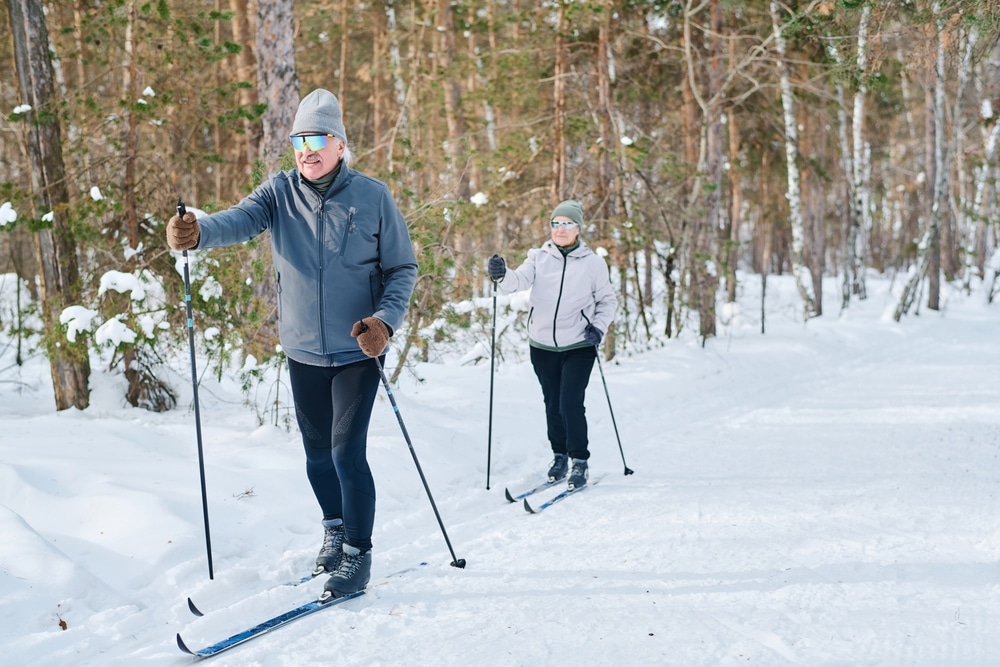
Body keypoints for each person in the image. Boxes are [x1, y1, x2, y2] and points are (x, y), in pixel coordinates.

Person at [166, 88, 417, 599]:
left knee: (348, 456)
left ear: (340, 145)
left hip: (356, 351)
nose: (307, 149)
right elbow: (237, 219)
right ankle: (334, 528)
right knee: (317, 457)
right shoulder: (278, 192)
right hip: (302, 349)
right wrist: (198, 232)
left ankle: (358, 557)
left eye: (318, 139)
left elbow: (402, 268)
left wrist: (384, 323)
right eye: (300, 139)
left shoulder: (373, 197)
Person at [487, 200, 617, 490]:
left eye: (566, 224)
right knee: (552, 403)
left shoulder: (593, 263)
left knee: (570, 402)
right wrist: (501, 274)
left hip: (580, 343)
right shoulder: (538, 257)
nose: (560, 229)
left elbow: (608, 300)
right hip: (542, 344)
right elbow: (517, 282)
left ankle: (579, 460)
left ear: (578, 228)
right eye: (555, 224)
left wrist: (598, 327)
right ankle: (559, 456)